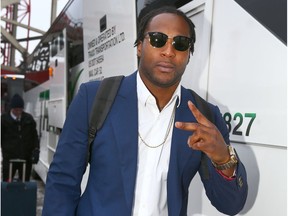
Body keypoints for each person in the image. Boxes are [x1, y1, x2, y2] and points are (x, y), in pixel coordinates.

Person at [42, 6, 248, 216]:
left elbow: (230, 205)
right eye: (158, 39)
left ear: (189, 54)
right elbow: (63, 181)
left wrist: (223, 158)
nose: (169, 51)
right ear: (140, 46)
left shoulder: (205, 116)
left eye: (180, 43)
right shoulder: (94, 98)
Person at [1, 94, 39, 182]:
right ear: (12, 108)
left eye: (20, 110)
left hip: (25, 157)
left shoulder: (28, 119)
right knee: (7, 182)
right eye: (16, 110)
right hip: (9, 158)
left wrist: (36, 150)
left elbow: (34, 136)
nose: (18, 112)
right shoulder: (4, 120)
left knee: (24, 183)